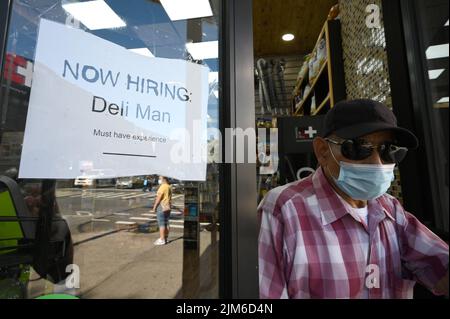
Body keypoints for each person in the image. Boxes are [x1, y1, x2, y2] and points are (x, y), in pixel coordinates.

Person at [258, 99, 449, 299]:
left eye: (388, 150)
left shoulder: (389, 209)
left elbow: (439, 263)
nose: (376, 162)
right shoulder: (282, 211)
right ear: (323, 151)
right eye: (358, 148)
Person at [151, 176, 172, 246]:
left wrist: (154, 207)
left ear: (164, 179)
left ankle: (162, 239)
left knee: (161, 223)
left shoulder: (163, 186)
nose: (159, 180)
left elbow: (159, 197)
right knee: (166, 223)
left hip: (161, 207)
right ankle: (165, 238)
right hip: (167, 207)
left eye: (160, 178)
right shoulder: (169, 186)